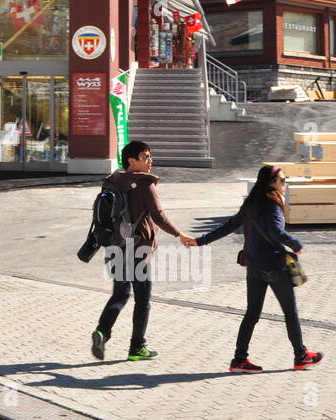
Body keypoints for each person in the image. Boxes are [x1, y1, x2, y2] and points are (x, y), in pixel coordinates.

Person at [194, 164, 323, 372]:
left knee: (252, 314)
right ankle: (301, 356)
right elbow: (275, 231)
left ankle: (239, 360)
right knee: (290, 313)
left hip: (254, 267)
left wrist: (200, 241)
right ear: (271, 183)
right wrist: (295, 244)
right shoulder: (272, 204)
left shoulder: (251, 203)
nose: (285, 184)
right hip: (275, 266)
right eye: (282, 180)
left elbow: (228, 226)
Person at [91, 140, 195, 362]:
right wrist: (180, 234)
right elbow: (159, 216)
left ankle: (102, 331)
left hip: (115, 246)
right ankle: (137, 347)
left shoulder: (111, 181)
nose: (150, 161)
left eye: (150, 156)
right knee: (143, 300)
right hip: (139, 249)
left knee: (119, 294)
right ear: (132, 161)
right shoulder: (145, 184)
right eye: (145, 157)